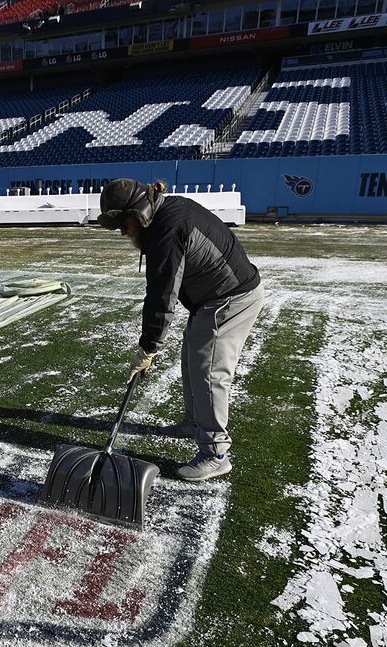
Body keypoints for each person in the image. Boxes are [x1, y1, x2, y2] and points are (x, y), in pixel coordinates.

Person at [97, 178, 263, 482]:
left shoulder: (167, 229)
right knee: (192, 359)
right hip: (211, 298)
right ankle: (193, 423)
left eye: (124, 223)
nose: (122, 231)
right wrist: (151, 344)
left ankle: (216, 452)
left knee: (209, 370)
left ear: (140, 213)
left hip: (230, 298)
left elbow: (162, 295)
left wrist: (148, 347)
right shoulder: (165, 214)